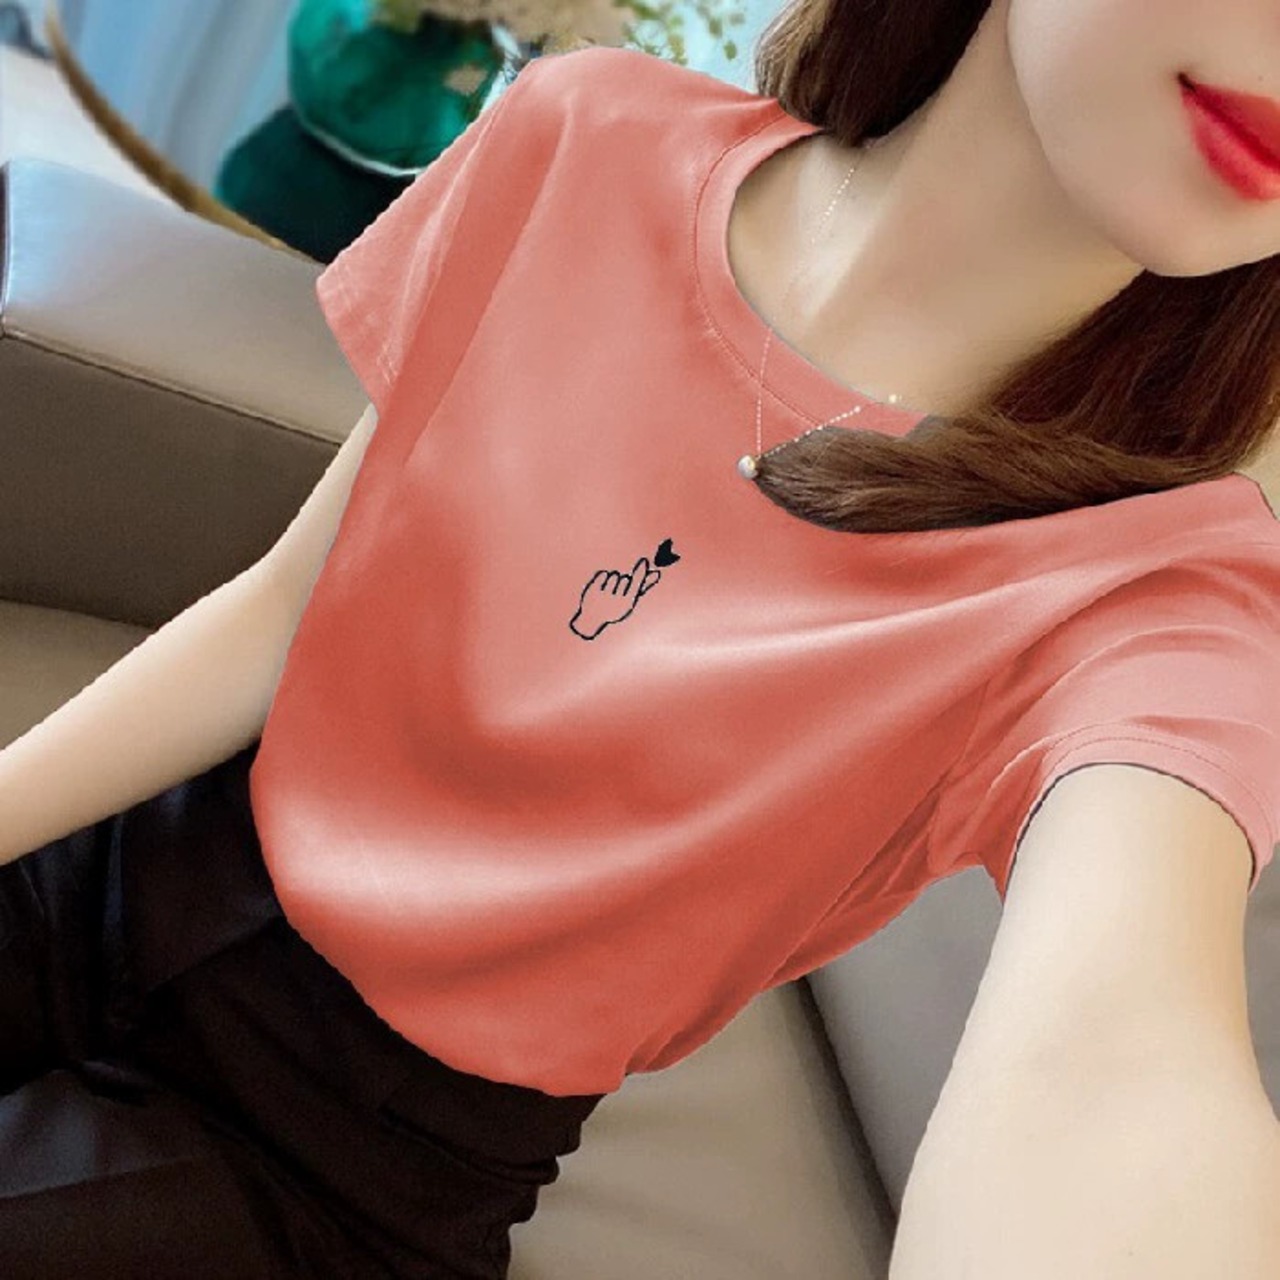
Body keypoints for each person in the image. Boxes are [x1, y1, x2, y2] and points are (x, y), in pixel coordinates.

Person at [3, 0, 1280, 1274]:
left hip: (337, 1159)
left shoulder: (1153, 590)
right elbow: (287, 608)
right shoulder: (589, 135)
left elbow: (1121, 1049)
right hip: (126, 867)